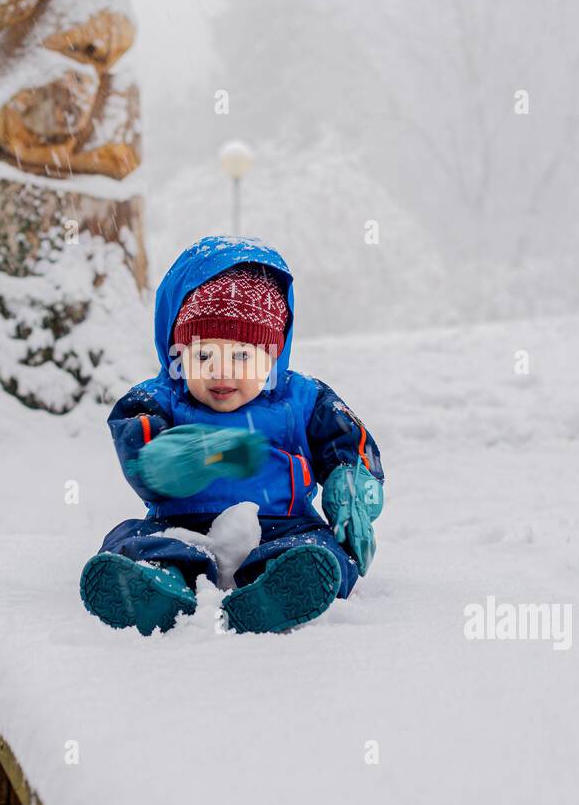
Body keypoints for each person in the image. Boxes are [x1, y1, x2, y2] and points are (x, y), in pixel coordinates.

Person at [80, 236, 384, 634]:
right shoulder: (158, 400)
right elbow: (137, 448)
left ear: (272, 357)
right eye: (203, 355)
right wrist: (177, 459)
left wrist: (351, 486)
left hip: (282, 526)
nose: (221, 372)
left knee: (322, 549)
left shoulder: (304, 399)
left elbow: (350, 444)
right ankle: (155, 585)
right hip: (182, 527)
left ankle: (277, 589)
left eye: (242, 356)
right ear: (178, 356)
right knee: (133, 539)